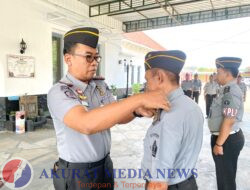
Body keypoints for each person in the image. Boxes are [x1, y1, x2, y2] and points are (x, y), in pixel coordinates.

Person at [47, 27, 170, 190]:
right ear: (68, 59)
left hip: (104, 164)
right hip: (78, 172)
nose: (94, 63)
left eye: (97, 57)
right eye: (88, 57)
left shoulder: (100, 85)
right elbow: (86, 124)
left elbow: (117, 115)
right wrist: (138, 98)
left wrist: (136, 111)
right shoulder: (60, 91)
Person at [141, 50, 204, 190]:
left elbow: (159, 181)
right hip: (187, 182)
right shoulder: (192, 107)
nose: (147, 86)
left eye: (147, 80)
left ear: (159, 77)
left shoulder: (171, 113)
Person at [208, 57, 245, 190]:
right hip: (225, 139)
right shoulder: (226, 89)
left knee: (226, 181)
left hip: (226, 140)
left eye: (218, 72)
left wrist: (219, 144)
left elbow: (229, 120)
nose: (216, 75)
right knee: (224, 177)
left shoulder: (231, 90)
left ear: (227, 73)